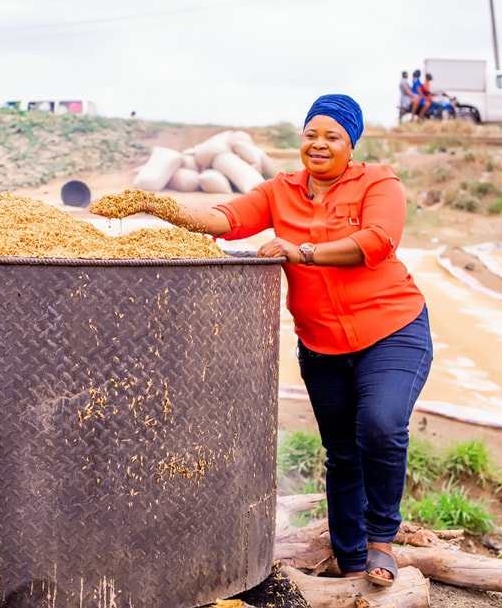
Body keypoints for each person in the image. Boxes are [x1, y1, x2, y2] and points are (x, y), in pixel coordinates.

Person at [90, 93, 433, 587]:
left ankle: (382, 541)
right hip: (322, 346)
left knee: (380, 426)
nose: (319, 144)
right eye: (311, 134)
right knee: (342, 451)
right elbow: (224, 221)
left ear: (351, 144)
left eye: (332, 136)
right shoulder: (280, 191)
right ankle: (353, 560)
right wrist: (155, 205)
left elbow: (377, 241)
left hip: (392, 331)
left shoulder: (378, 182)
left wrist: (303, 251)